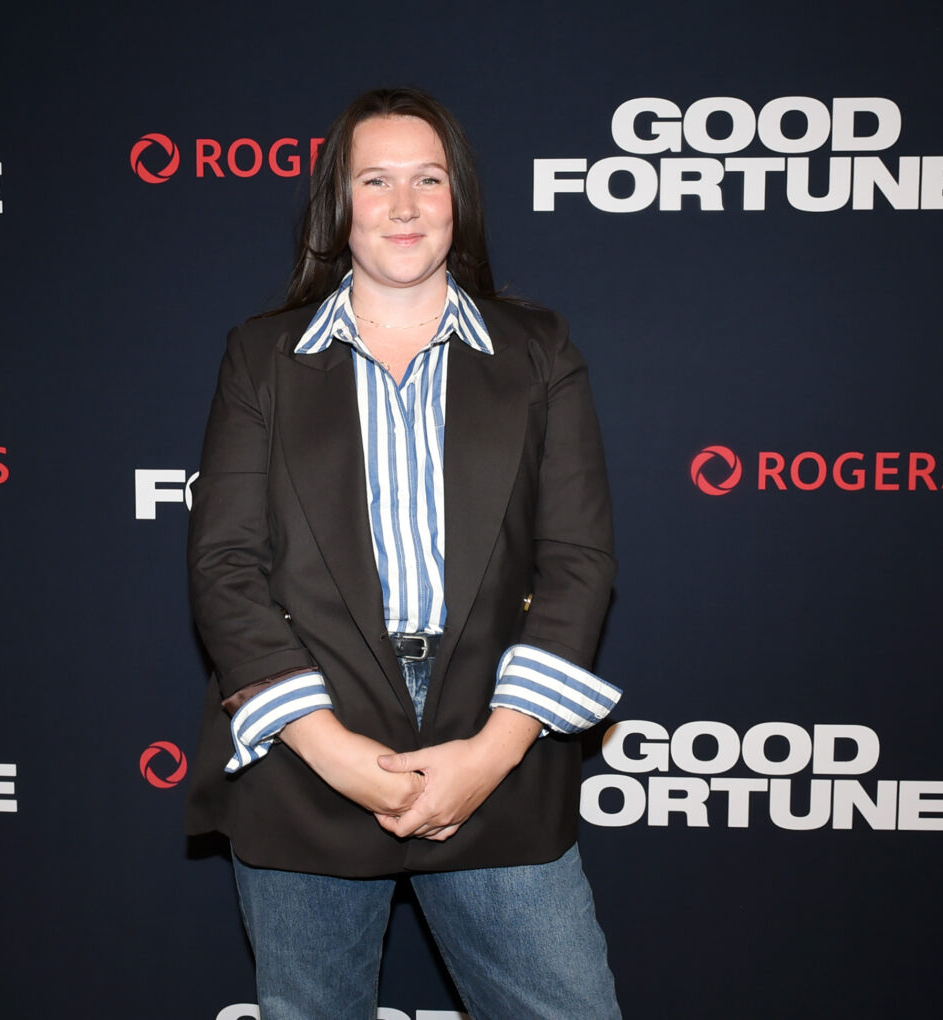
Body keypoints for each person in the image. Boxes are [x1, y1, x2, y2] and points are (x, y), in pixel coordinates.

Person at [184, 86, 622, 1019]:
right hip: (307, 750)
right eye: (375, 180)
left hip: (496, 745)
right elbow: (224, 566)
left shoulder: (539, 350)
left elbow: (578, 561)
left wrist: (494, 752)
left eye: (429, 178)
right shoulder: (260, 357)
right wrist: (333, 751)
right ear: (337, 205)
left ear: (459, 198)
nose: (405, 205)